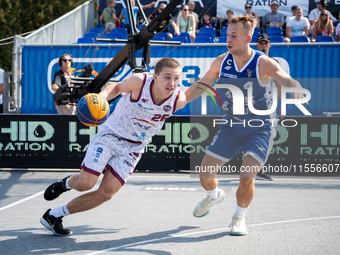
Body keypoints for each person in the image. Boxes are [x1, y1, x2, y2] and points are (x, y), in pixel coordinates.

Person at [185, 15, 307, 236]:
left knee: (246, 176)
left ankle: (239, 218)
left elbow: (285, 79)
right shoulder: (222, 61)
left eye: (234, 35)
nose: (228, 39)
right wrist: (179, 101)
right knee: (204, 173)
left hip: (260, 127)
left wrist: (295, 88)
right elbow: (201, 85)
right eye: (227, 35)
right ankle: (214, 196)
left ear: (248, 38)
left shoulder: (263, 62)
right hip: (232, 124)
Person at [40, 58, 187, 236]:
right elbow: (116, 88)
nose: (172, 83)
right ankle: (65, 183)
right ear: (155, 76)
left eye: (176, 78)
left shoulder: (178, 98)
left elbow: (194, 90)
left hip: (134, 148)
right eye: (167, 77)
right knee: (86, 184)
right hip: (111, 134)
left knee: (107, 193)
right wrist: (101, 99)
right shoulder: (139, 82)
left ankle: (54, 216)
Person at [255, 33, 290, 181]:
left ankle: (258, 168)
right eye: (261, 43)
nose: (263, 45)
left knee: (269, 138)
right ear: (257, 45)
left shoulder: (274, 63)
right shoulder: (250, 61)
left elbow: (280, 84)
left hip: (269, 108)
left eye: (265, 43)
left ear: (269, 45)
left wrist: (284, 105)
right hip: (250, 107)